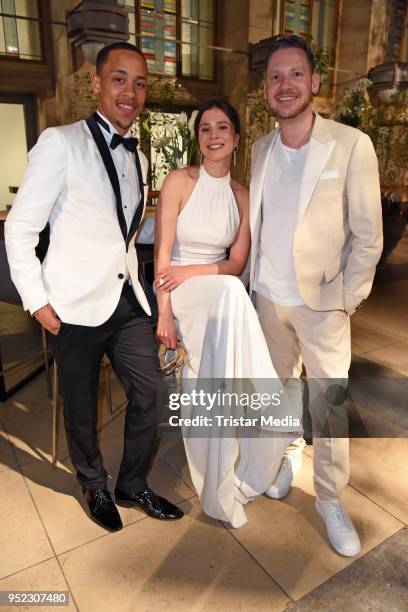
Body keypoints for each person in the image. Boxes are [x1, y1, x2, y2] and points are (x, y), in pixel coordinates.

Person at [5, 42, 183, 532]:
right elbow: (19, 230)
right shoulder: (60, 142)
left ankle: (131, 482)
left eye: (140, 83)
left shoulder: (140, 159)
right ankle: (93, 483)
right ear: (97, 84)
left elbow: (121, 229)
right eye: (120, 79)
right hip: (72, 303)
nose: (131, 91)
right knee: (80, 407)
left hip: (126, 300)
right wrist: (36, 300)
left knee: (150, 392)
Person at [250, 35, 383, 555]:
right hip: (268, 297)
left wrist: (346, 297)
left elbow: (368, 235)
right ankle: (287, 453)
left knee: (328, 404)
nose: (286, 85)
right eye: (276, 77)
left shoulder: (350, 145)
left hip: (323, 303)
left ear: (315, 83)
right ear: (266, 87)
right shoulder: (260, 149)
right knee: (282, 388)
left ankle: (330, 497)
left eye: (295, 75)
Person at [154, 99, 302, 528]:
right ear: (197, 137)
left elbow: (236, 263)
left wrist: (195, 271)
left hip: (216, 289)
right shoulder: (178, 182)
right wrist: (164, 315)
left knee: (230, 291)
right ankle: (273, 414)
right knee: (231, 295)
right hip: (179, 293)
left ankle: (246, 446)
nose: (213, 135)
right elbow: (162, 258)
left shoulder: (243, 196)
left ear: (237, 139)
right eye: (205, 128)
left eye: (222, 128)